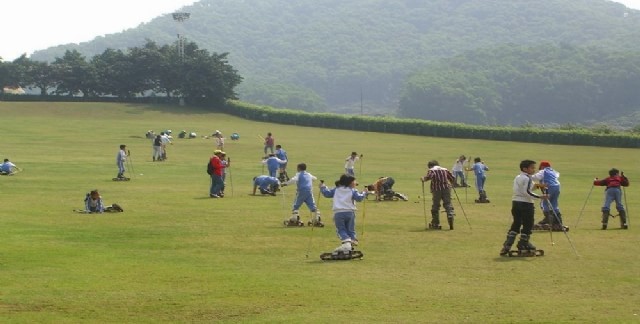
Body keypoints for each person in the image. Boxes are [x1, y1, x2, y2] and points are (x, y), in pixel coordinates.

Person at [500, 160, 549, 256]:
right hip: (526, 204)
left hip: (516, 203)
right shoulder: (527, 178)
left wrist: (539, 186)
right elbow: (527, 192)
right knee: (528, 223)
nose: (534, 169)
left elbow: (528, 188)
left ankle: (507, 244)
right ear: (525, 169)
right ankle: (523, 243)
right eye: (532, 168)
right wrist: (540, 197)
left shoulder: (518, 177)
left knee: (516, 223)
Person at [320, 174, 368, 253]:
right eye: (353, 182)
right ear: (349, 183)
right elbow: (359, 198)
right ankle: (352, 240)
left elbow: (327, 194)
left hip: (339, 213)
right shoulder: (353, 190)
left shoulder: (336, 189)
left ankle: (346, 244)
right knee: (350, 229)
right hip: (350, 213)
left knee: (341, 229)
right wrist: (364, 192)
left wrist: (322, 187)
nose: (355, 183)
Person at [421, 160, 456, 230]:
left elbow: (429, 177)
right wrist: (451, 183)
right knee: (448, 203)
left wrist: (423, 179)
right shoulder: (445, 169)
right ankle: (450, 214)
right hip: (446, 189)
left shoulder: (432, 170)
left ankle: (435, 223)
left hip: (437, 190)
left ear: (430, 166)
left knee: (436, 206)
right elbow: (452, 178)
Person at [531, 161, 565, 230]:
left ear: (542, 167)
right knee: (554, 204)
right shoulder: (554, 172)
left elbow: (535, 178)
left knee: (544, 203)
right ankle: (558, 222)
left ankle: (549, 219)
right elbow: (557, 175)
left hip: (548, 187)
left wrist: (528, 177)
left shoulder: (543, 171)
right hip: (557, 187)